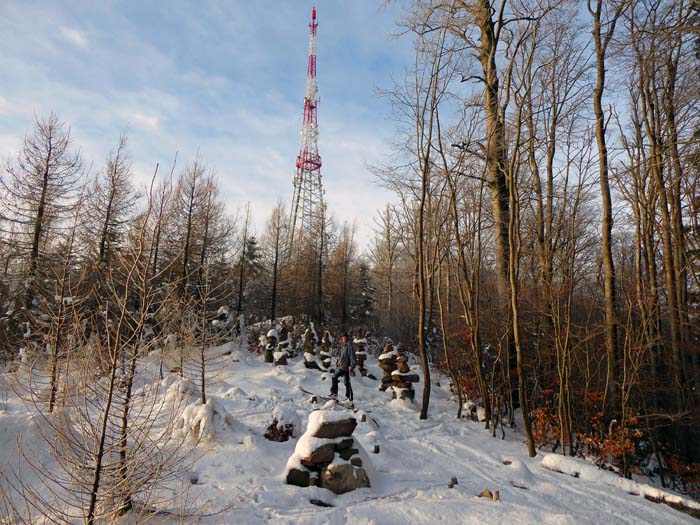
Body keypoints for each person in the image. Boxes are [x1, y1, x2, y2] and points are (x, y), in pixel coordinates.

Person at [330, 333, 356, 401]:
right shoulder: (343, 346)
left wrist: (352, 365)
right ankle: (334, 394)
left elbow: (352, 356)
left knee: (347, 383)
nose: (343, 339)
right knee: (334, 377)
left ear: (347, 338)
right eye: (342, 338)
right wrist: (338, 362)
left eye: (344, 338)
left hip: (346, 367)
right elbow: (341, 356)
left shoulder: (349, 345)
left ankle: (349, 398)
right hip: (341, 366)